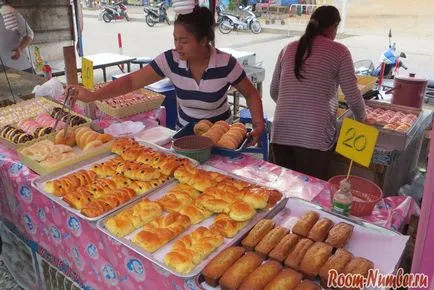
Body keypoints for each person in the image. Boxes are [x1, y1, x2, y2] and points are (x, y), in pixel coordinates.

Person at [69, 6, 265, 144]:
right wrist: (93, 95)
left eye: (184, 41)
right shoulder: (170, 60)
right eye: (175, 39)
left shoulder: (226, 63)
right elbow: (130, 81)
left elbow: (250, 93)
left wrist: (258, 124)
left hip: (220, 139)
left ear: (204, 40)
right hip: (184, 136)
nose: (177, 46)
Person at [269, 5, 366, 180]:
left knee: (282, 189)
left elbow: (274, 91)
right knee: (310, 193)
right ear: (333, 26)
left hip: (281, 132)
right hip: (314, 137)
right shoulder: (340, 51)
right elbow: (353, 96)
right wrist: (362, 118)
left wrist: (294, 107)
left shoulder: (289, 48)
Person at [0, 0, 34, 72]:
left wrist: (20, 48)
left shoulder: (8, 13)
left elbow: (29, 34)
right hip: (2, 69)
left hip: (20, 66)